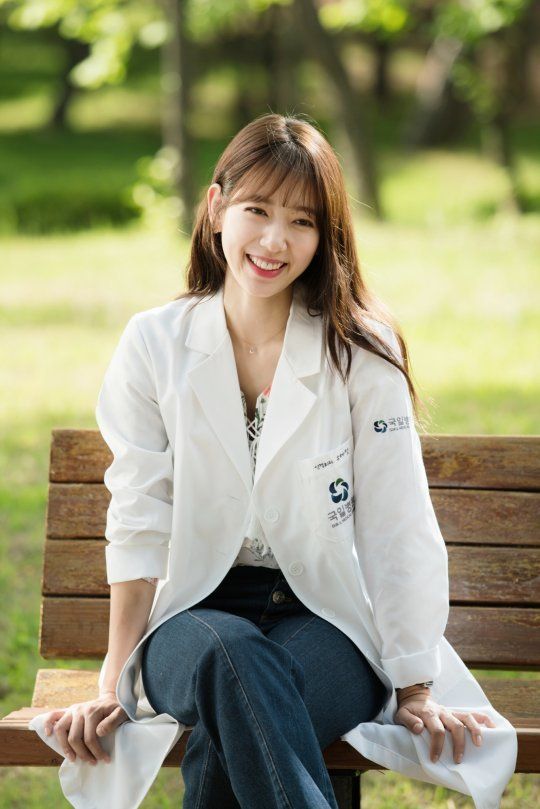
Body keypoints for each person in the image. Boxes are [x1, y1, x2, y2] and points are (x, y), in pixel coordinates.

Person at [32, 113, 516, 809]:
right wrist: (112, 679)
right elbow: (139, 516)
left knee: (233, 731)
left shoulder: (361, 351)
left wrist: (414, 683)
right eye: (256, 210)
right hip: (194, 617)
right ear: (217, 207)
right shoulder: (154, 344)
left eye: (302, 221)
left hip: (328, 621)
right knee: (234, 661)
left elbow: (397, 519)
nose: (274, 240)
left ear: (326, 237)